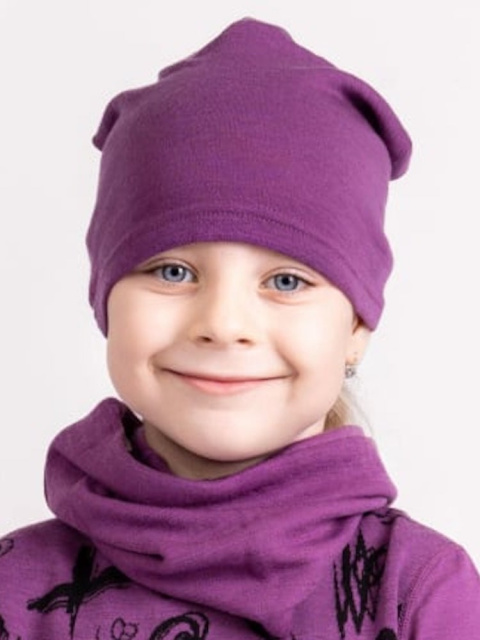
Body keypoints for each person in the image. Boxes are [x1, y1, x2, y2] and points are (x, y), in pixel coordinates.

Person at [0, 16, 478, 640]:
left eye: (287, 281)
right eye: (172, 271)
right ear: (106, 302)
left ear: (357, 325)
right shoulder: (15, 588)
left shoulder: (417, 592)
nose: (223, 326)